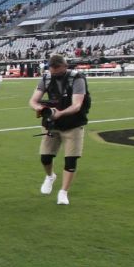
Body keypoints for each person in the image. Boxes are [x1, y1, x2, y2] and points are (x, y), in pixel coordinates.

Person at [28, 54, 91, 206]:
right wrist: (40, 108)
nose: (55, 73)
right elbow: (33, 100)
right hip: (53, 124)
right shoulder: (46, 78)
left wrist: (59, 113)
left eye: (58, 70)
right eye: (52, 70)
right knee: (45, 157)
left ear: (65, 66)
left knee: (71, 160)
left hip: (73, 124)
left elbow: (77, 105)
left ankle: (63, 192)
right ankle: (50, 176)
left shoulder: (77, 79)